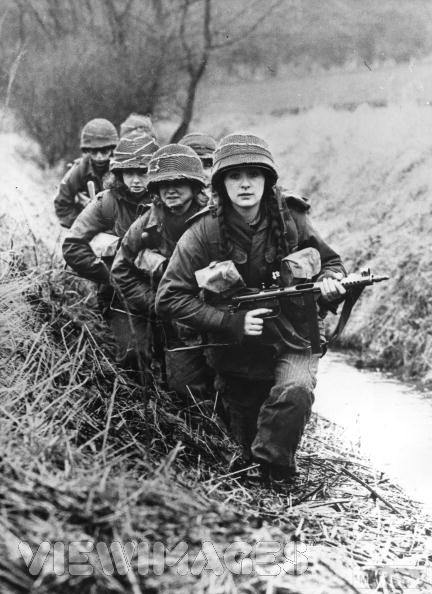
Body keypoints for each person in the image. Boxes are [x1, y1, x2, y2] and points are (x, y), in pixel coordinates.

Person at [156, 132, 346, 482]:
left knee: (295, 391)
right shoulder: (203, 231)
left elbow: (332, 262)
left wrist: (332, 282)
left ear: (267, 180)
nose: (245, 184)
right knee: (242, 442)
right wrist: (231, 321)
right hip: (236, 352)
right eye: (234, 176)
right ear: (220, 183)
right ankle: (257, 464)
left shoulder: (292, 218)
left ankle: (274, 469)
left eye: (254, 175)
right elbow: (169, 297)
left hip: (294, 336)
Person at [111, 143, 213, 396]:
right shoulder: (147, 223)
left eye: (178, 182)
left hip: (214, 316)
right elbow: (121, 270)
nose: (170, 190)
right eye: (162, 184)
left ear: (195, 185)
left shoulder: (215, 217)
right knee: (185, 391)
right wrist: (157, 304)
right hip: (172, 321)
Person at [62, 132, 159, 369]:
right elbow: (73, 246)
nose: (136, 180)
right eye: (129, 173)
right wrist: (110, 275)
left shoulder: (168, 198)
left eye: (143, 172)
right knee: (134, 355)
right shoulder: (106, 202)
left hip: (166, 288)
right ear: (118, 173)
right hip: (121, 295)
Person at [54, 118, 119, 228]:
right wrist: (83, 223)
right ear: (87, 150)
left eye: (104, 151)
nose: (99, 156)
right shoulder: (79, 170)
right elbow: (62, 205)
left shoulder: (120, 170)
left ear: (111, 150)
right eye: (94, 151)